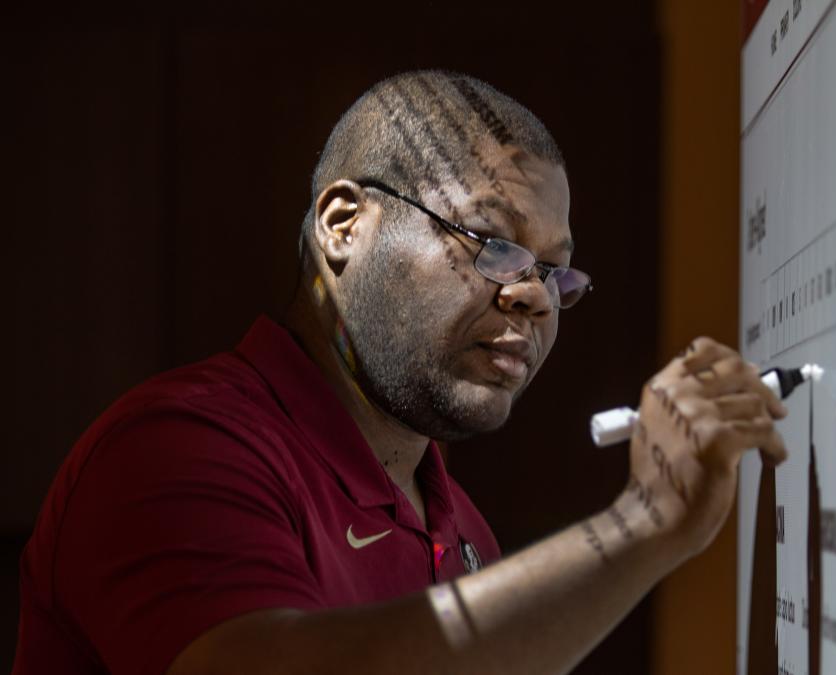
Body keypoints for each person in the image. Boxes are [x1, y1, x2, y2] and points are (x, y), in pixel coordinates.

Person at [14, 70, 788, 675]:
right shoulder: (174, 449)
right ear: (345, 225)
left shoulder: (462, 527)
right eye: (490, 241)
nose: (531, 297)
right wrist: (643, 524)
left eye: (555, 272)